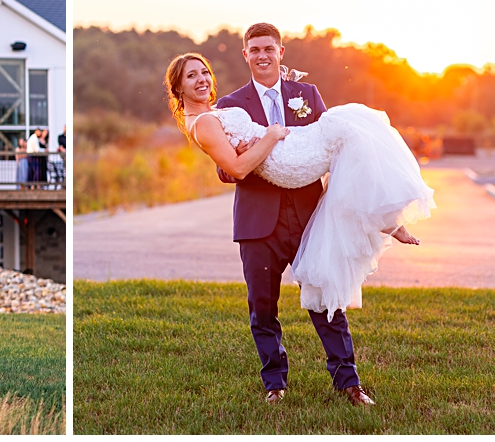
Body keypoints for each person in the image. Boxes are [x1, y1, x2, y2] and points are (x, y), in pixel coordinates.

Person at [166, 23, 433, 407]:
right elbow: (228, 169)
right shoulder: (228, 106)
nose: (262, 55)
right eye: (254, 49)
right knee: (262, 307)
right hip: (259, 221)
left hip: (310, 214)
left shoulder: (306, 94)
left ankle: (349, 384)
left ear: (280, 52)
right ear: (245, 55)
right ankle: (275, 384)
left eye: (268, 49)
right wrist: (259, 148)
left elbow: (335, 155)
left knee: (327, 300)